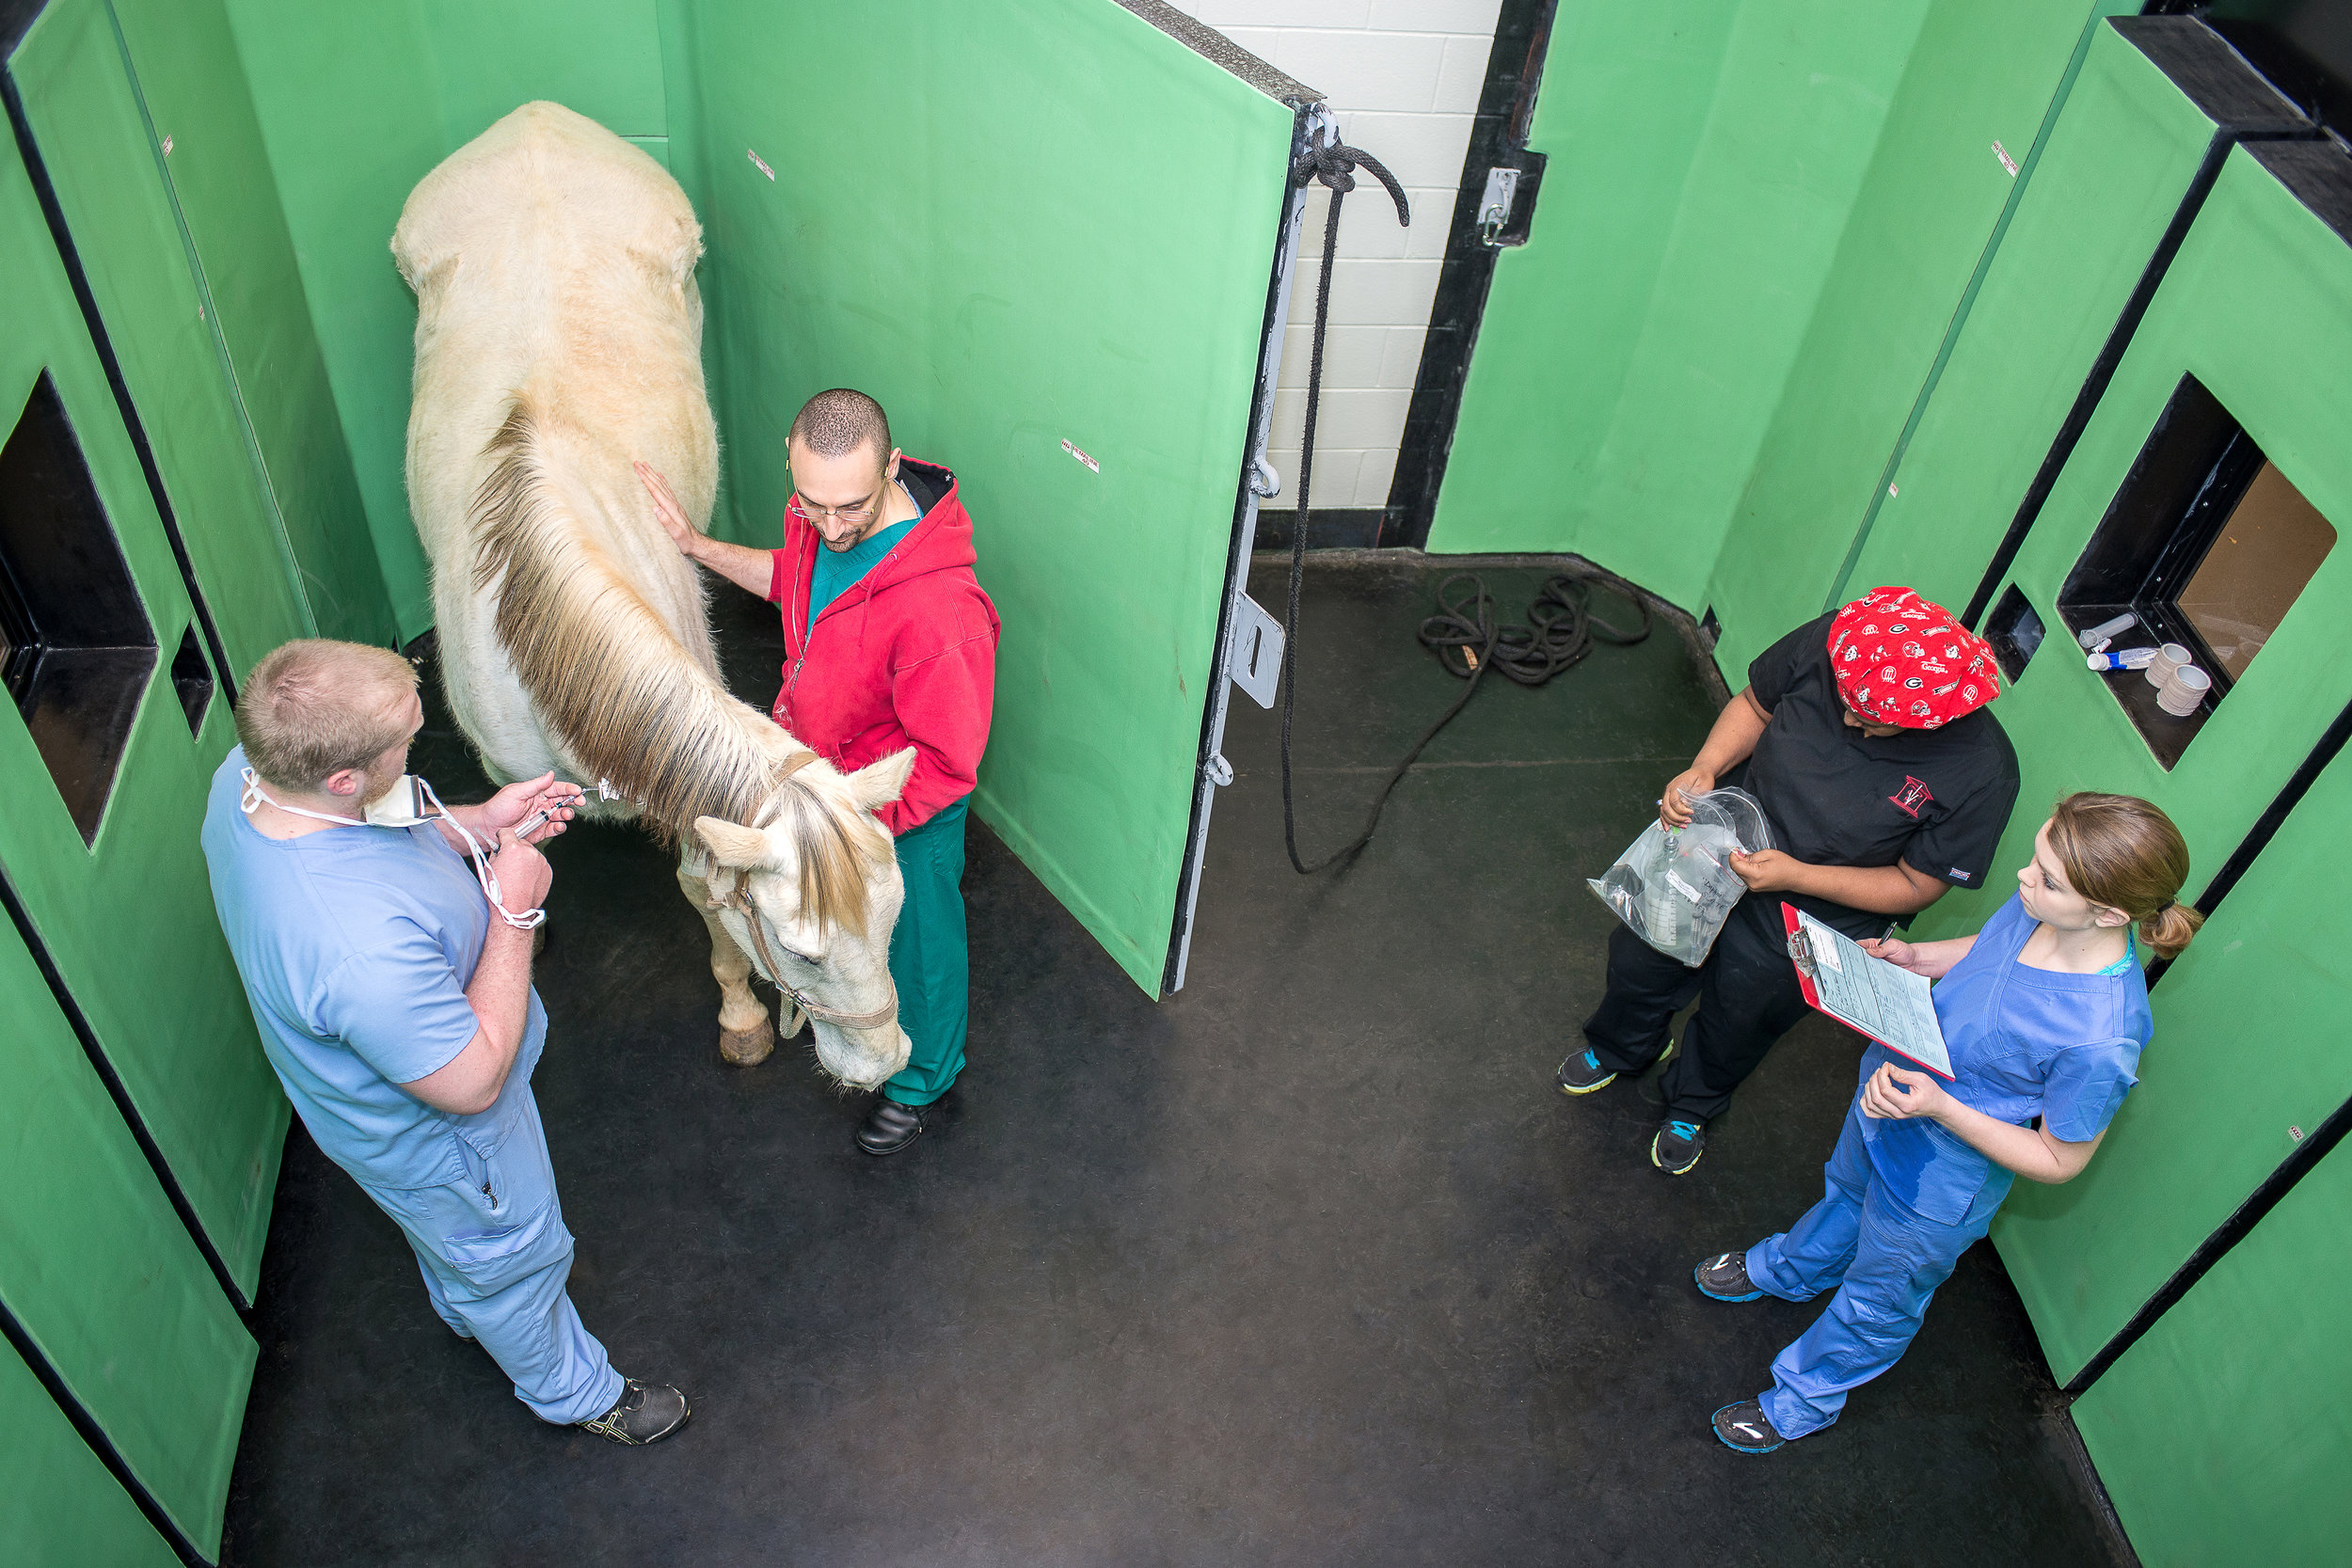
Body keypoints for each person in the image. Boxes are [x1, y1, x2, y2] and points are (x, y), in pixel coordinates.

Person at [200, 640, 691, 1445]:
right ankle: (577, 1392)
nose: (417, 746)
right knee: (513, 1259)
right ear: (343, 776)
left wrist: (482, 826)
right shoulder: (353, 949)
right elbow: (471, 1083)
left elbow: (374, 829)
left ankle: (468, 1300)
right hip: (450, 1140)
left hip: (378, 1122)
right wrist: (515, 909)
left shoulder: (246, 777)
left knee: (452, 1243)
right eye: (406, 742)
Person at [1696, 792, 2201, 1451]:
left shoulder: (2102, 1037)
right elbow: (1987, 952)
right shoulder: (2039, 908)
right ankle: (1793, 1268)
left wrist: (1940, 1107)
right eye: (2036, 858)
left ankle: (1802, 1400)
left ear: (2107, 912)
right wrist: (1918, 957)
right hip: (1892, 1092)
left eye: (2048, 878)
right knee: (1845, 1193)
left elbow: (2060, 1159)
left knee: (1881, 1294)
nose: (2024, 877)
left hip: (1940, 1173)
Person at [638, 388, 998, 1156]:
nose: (831, 528)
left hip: (899, 811)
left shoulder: (940, 611)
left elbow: (947, 764)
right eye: (813, 505)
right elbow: (792, 581)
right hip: (824, 787)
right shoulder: (814, 519)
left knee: (918, 943)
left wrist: (847, 819)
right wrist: (698, 546)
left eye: (852, 510)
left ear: (893, 467)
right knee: (849, 940)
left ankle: (924, 1078)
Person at [1560, 586, 2020, 1174]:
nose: (1850, 718)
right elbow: (1755, 705)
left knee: (1743, 1015)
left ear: (1932, 721)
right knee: (1642, 956)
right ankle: (1619, 1047)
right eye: (1845, 699)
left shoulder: (1984, 769)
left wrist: (1797, 875)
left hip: (1814, 912)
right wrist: (1705, 767)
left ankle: (1693, 1102)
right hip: (1722, 845)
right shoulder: (1844, 640)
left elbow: (1914, 885)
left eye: (1874, 720)